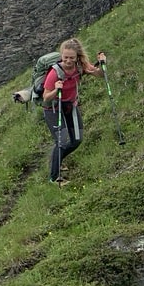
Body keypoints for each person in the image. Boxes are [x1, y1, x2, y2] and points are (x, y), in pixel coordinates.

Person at [42, 37, 106, 186]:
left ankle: (55, 159)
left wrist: (102, 63)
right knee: (62, 141)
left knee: (77, 140)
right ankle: (54, 177)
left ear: (77, 56)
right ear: (61, 56)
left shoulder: (80, 66)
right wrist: (57, 89)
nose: (68, 61)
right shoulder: (54, 72)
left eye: (71, 57)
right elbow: (45, 97)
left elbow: (100, 74)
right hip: (53, 109)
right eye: (65, 58)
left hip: (70, 106)